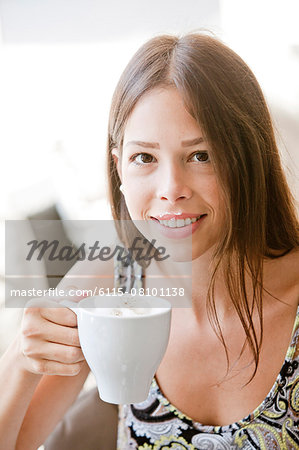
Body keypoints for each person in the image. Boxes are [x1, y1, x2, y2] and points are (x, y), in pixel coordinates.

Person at [0, 33, 298, 449]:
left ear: (250, 160)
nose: (171, 189)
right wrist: (20, 358)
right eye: (145, 158)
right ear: (119, 167)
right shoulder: (109, 282)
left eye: (201, 155)